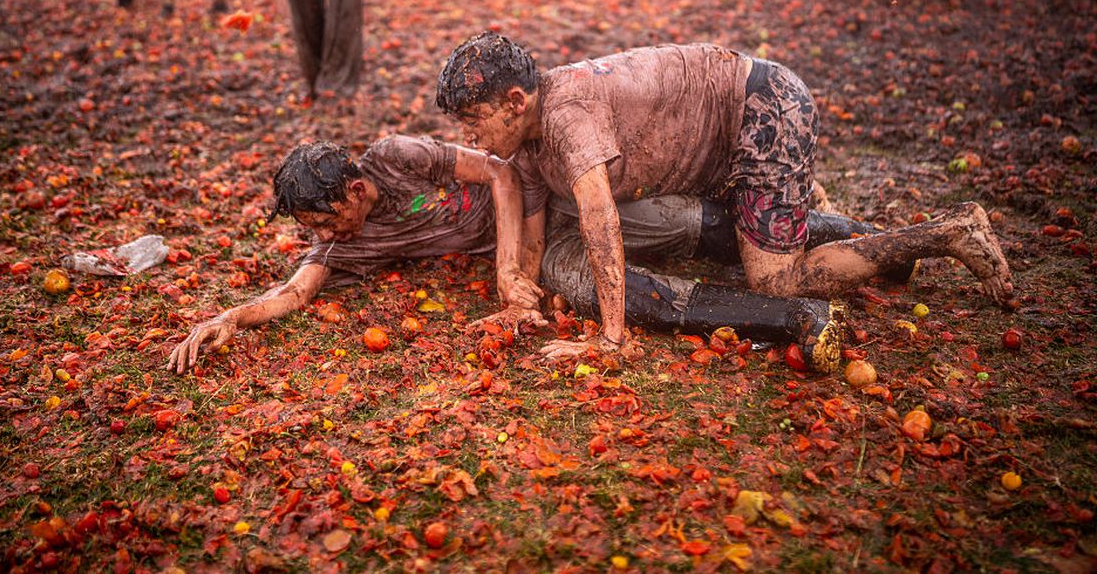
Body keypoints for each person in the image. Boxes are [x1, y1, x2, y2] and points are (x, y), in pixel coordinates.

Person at [435, 32, 1015, 360]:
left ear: (515, 101)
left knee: (776, 280)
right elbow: (535, 231)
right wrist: (521, 298)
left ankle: (947, 233)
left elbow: (600, 221)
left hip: (763, 108)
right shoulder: (525, 142)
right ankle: (835, 220)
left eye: (472, 119)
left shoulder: (565, 115)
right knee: (761, 246)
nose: (468, 136)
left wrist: (611, 338)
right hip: (717, 142)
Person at [167, 136, 884, 374]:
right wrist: (228, 317)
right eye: (314, 227)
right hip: (554, 250)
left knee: (696, 228)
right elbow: (294, 292)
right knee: (615, 294)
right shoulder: (336, 242)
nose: (327, 234)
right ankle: (792, 317)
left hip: (557, 198)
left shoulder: (394, 158)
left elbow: (502, 172)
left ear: (355, 188)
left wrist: (510, 267)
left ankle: (865, 240)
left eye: (328, 217)